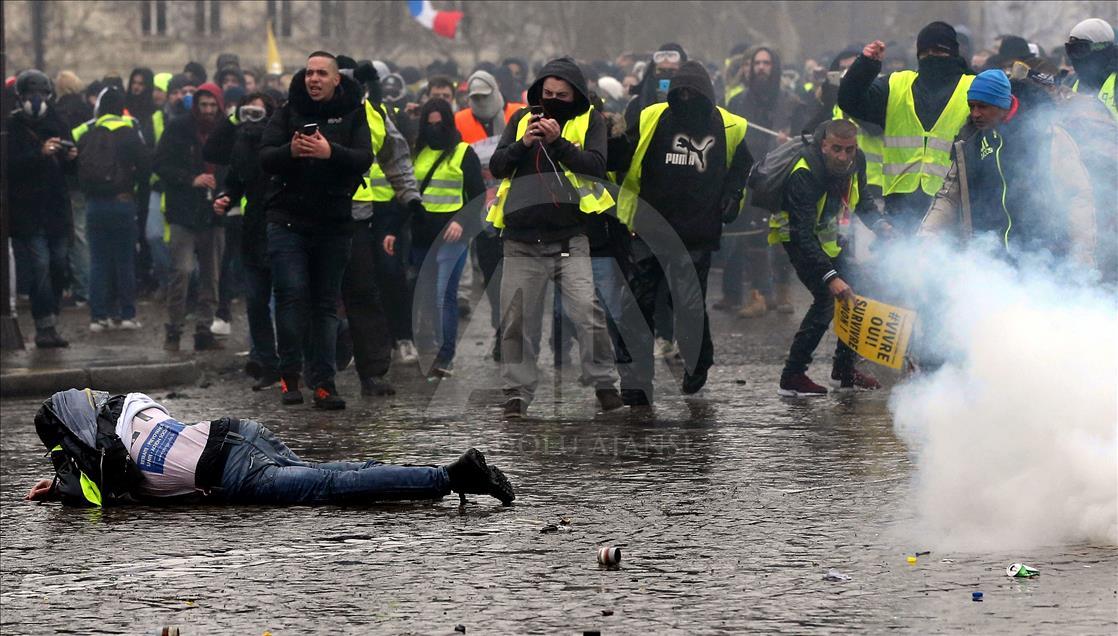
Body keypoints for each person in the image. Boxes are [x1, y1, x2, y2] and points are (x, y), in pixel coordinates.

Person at [25, 390, 515, 507]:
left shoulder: (108, 459)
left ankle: (451, 476)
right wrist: (67, 468)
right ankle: (447, 475)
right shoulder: (128, 404)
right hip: (240, 432)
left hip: (233, 473)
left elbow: (99, 491)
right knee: (336, 476)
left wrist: (61, 482)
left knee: (332, 486)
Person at [487, 57, 623, 418]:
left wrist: (559, 142)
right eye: (547, 93)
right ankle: (516, 393)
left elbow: (596, 167)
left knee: (588, 315)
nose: (552, 100)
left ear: (575, 95)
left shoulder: (588, 120)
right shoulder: (519, 119)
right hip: (520, 239)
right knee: (516, 321)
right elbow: (498, 165)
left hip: (569, 238)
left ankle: (606, 386)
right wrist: (524, 143)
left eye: (561, 95)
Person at [612, 61, 753, 405]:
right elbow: (621, 154)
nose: (687, 98)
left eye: (694, 92)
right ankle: (635, 380)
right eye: (682, 92)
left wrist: (734, 196)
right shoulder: (651, 117)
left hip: (697, 233)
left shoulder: (729, 125)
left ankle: (697, 363)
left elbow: (742, 166)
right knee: (639, 306)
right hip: (648, 228)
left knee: (688, 306)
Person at [258, 51, 373, 410]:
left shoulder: (355, 112)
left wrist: (330, 152)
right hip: (287, 219)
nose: (314, 79)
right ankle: (289, 373)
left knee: (325, 305)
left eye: (322, 73)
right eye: (309, 73)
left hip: (334, 222)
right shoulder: (288, 110)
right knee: (291, 294)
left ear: (337, 79)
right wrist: (291, 150)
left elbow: (364, 158)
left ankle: (324, 382)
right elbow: (264, 157)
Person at [919, 69, 1097, 265]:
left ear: (1003, 105)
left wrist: (1082, 254)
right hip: (989, 263)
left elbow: (1078, 194)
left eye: (983, 107)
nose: (975, 114)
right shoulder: (970, 141)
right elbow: (949, 196)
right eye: (971, 106)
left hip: (1045, 260)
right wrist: (926, 238)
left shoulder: (1047, 136)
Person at [775, 120, 890, 396]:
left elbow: (862, 201)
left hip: (829, 236)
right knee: (827, 298)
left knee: (856, 293)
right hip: (795, 234)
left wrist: (881, 226)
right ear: (823, 145)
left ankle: (843, 370)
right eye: (836, 149)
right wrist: (830, 277)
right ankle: (792, 376)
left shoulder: (856, 161)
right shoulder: (804, 171)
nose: (843, 157)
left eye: (849, 150)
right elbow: (802, 234)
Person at [838, 22, 976, 234]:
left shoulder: (973, 87)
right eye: (926, 52)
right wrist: (865, 66)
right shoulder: (896, 84)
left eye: (939, 51)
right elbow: (850, 100)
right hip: (899, 205)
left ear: (953, 54)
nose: (932, 57)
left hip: (951, 205)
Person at [384, 99, 485, 378]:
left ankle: (445, 355)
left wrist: (461, 222)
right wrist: (393, 229)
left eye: (439, 123)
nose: (434, 128)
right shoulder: (418, 154)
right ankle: (426, 344)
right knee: (423, 293)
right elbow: (407, 195)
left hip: (453, 238)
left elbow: (477, 198)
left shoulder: (464, 153)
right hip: (421, 235)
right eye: (429, 124)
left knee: (445, 296)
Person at [343, 59, 425, 396]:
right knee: (339, 289)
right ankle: (337, 355)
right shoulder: (314, 112)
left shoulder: (376, 113)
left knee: (386, 278)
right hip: (339, 213)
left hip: (383, 212)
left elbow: (397, 157)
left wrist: (410, 198)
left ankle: (395, 344)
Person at [726, 46, 803, 318]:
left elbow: (804, 140)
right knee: (753, 238)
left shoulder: (792, 103)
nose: (761, 67)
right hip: (752, 177)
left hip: (783, 177)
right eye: (756, 63)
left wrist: (790, 140)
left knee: (783, 237)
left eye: (766, 63)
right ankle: (758, 294)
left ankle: (782, 291)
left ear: (775, 67)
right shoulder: (737, 103)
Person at [211, 93, 282, 390]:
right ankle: (268, 363)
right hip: (252, 228)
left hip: (281, 225)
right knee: (255, 301)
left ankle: (292, 363)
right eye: (247, 112)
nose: (251, 120)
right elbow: (233, 177)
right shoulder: (241, 142)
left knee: (288, 301)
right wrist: (227, 198)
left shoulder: (281, 141)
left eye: (258, 113)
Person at [154, 82, 226, 352]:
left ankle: (204, 329)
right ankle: (174, 328)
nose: (207, 111)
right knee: (181, 272)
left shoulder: (224, 130)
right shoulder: (178, 128)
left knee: (211, 275)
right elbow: (160, 164)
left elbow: (234, 167)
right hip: (183, 210)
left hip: (214, 213)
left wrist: (225, 193)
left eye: (212, 106)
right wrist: (190, 179)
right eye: (203, 105)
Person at [6, 69, 75, 348]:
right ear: (20, 97)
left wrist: (70, 156)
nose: (36, 100)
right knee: (41, 265)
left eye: (41, 94)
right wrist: (39, 154)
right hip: (29, 211)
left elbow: (70, 169)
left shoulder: (57, 121)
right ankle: (45, 325)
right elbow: (9, 165)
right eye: (30, 95)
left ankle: (51, 312)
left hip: (55, 209)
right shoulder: (12, 127)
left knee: (58, 264)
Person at [77, 87, 152, 333]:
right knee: (124, 260)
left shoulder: (87, 134)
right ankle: (127, 314)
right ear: (122, 108)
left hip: (94, 205)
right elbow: (145, 170)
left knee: (98, 262)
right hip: (122, 203)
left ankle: (99, 316)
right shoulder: (129, 134)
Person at [623, 43, 687, 129]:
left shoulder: (694, 105)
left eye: (672, 71)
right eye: (661, 71)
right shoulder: (635, 106)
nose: (665, 75)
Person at [1065, 18, 1117, 122]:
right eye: (1071, 50)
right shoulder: (1071, 82)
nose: (1075, 57)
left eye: (1080, 50)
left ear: (1101, 49)